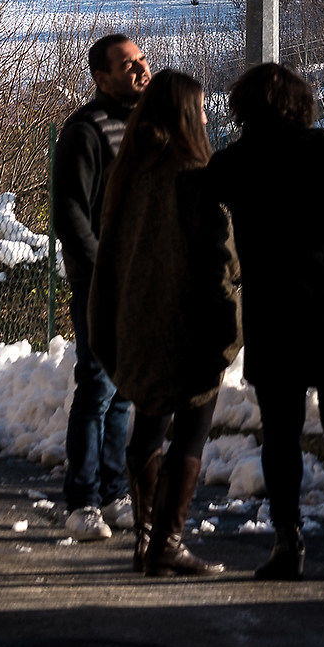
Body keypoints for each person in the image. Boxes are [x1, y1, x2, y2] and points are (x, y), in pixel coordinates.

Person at [205, 61, 324, 582]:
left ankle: (289, 543)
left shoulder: (235, 163)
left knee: (280, 435)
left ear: (244, 108)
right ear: (298, 104)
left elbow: (196, 193)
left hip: (275, 313)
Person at [89, 69, 241, 576]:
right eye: (198, 108)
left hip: (137, 323)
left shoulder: (129, 176)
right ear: (182, 115)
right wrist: (231, 329)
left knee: (148, 426)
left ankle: (147, 540)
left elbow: (110, 258)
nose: (205, 115)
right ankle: (168, 543)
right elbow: (221, 264)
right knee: (191, 434)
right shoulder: (195, 179)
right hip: (188, 327)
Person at [52, 31, 149, 538]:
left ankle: (114, 494)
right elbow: (69, 213)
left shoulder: (142, 127)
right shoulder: (85, 131)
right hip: (101, 286)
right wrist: (101, 271)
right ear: (101, 76)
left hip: (142, 283)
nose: (139, 70)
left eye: (142, 60)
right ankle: (81, 501)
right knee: (97, 390)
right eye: (127, 65)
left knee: (124, 394)